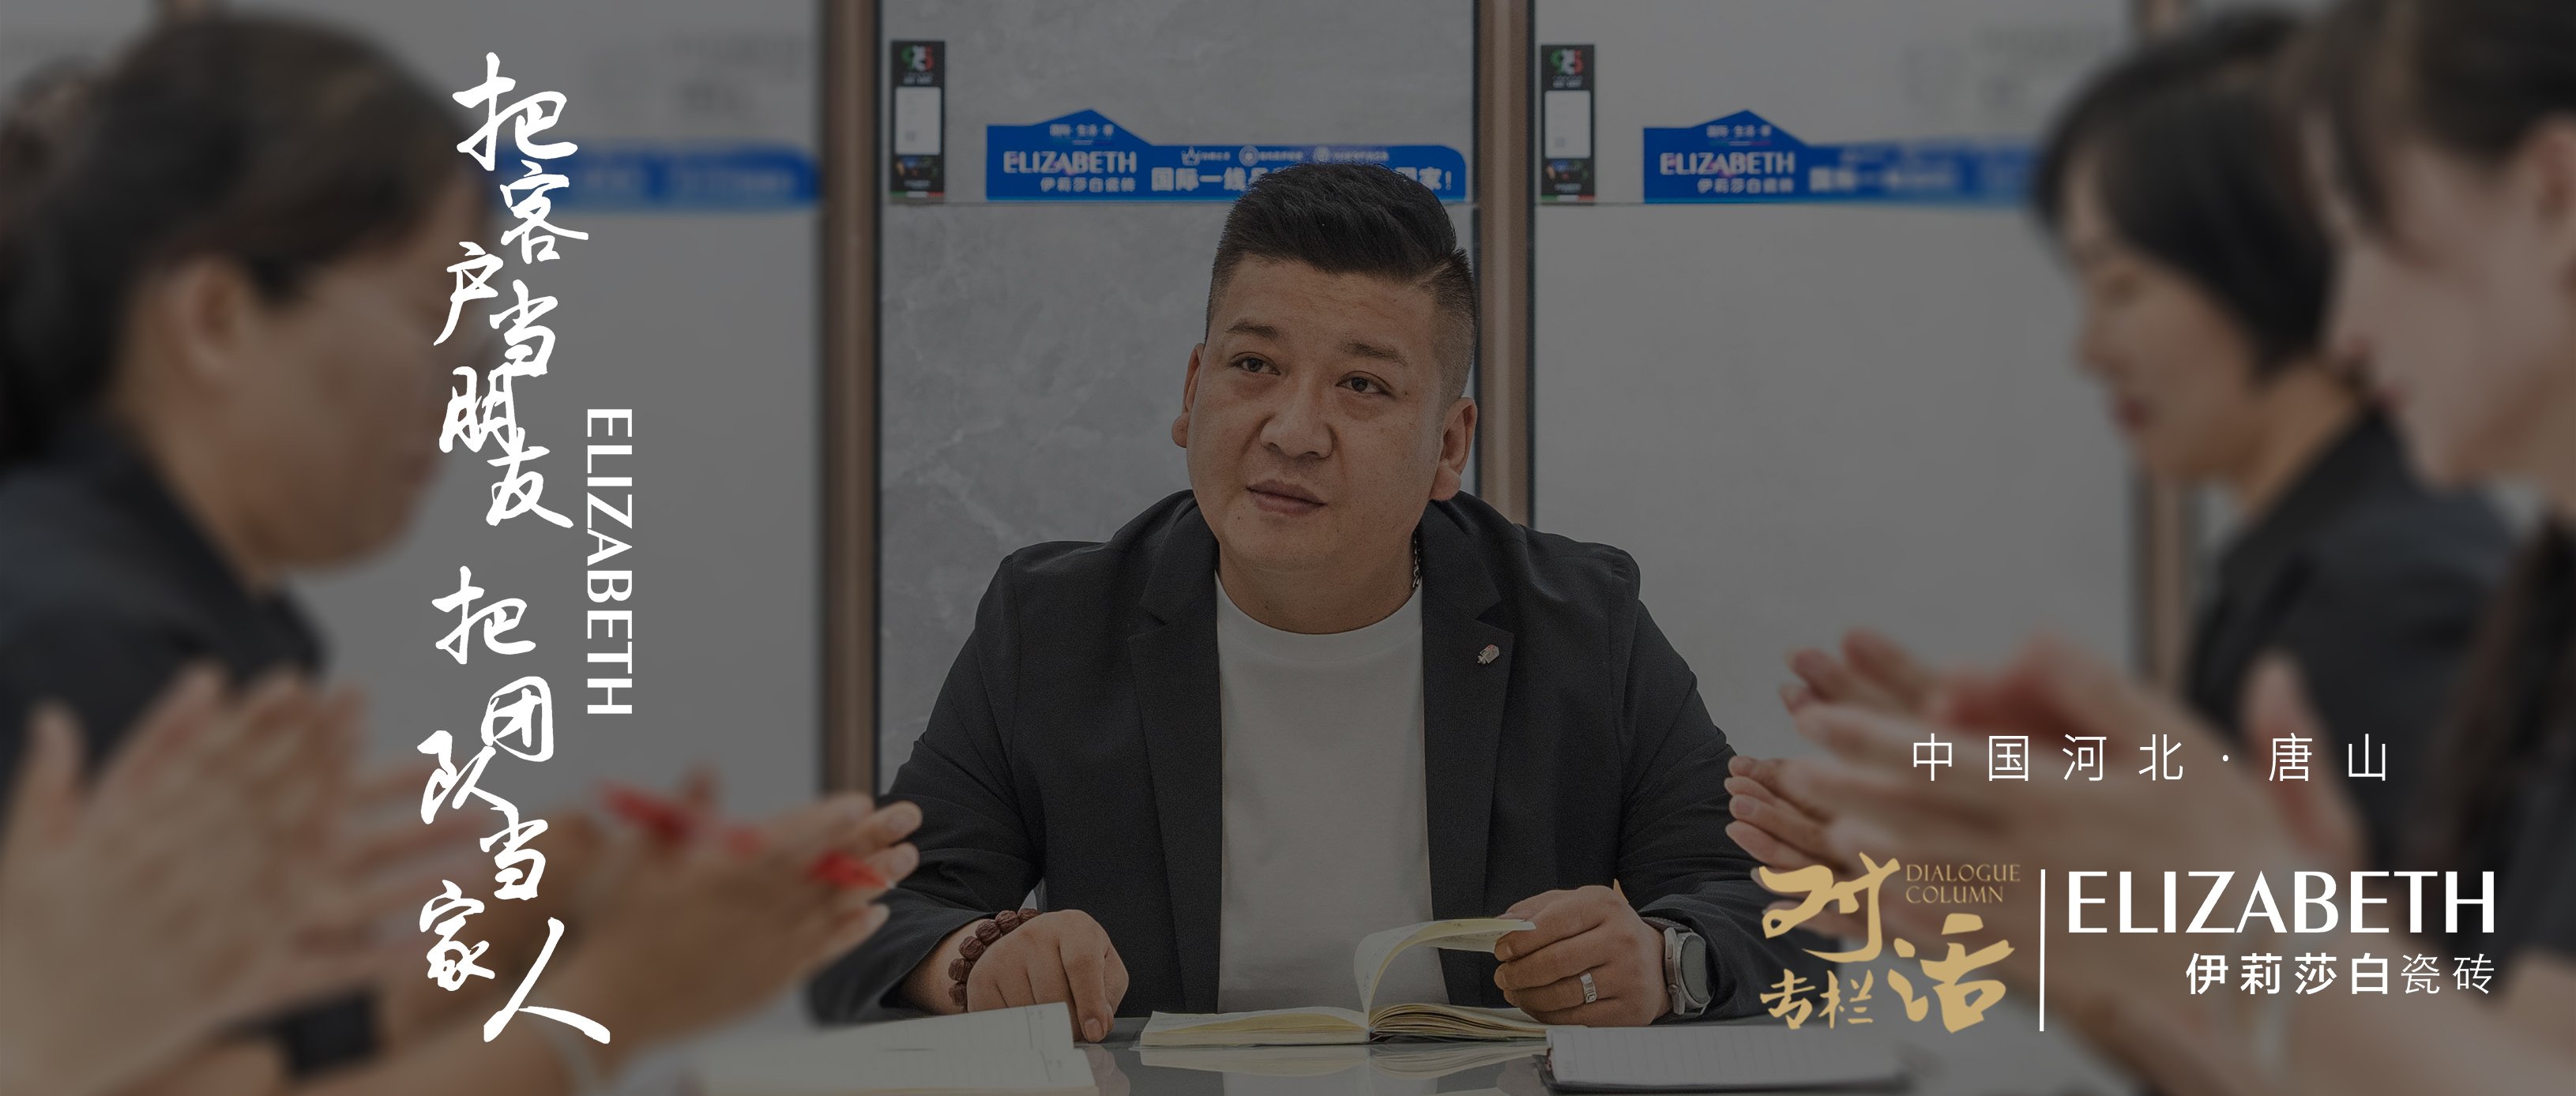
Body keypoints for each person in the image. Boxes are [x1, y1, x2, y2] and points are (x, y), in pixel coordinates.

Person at [0, 15, 921, 1094]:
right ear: (216, 316)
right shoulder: (79, 640)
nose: (472, 379)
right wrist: (614, 1004)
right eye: (435, 314)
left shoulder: (163, 599)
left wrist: (551, 934)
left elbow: (262, 1052)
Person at [1763, 0, 2576, 1090]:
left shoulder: (2393, 586)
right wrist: (2005, 886)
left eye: (2122, 285)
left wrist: (2234, 906)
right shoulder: (2424, 581)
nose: (2349, 318)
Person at [810, 162, 1809, 1038]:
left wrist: (1665, 962)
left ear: (1449, 444)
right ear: (1193, 389)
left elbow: (1781, 910)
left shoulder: (1583, 623)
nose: (1293, 430)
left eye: (1362, 386)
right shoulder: (1053, 624)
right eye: (1254, 366)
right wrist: (976, 960)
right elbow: (869, 915)